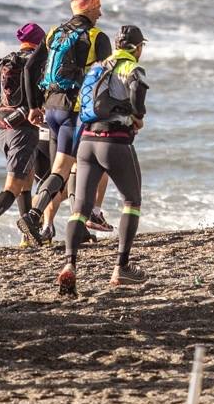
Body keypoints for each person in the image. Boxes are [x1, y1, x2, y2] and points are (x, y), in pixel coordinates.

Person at [57, 24, 150, 296]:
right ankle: (121, 267)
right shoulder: (131, 66)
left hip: (87, 141)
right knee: (132, 202)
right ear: (138, 47)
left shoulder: (98, 66)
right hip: (114, 141)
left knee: (80, 209)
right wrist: (138, 116)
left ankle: (70, 264)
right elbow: (138, 94)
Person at [25, 0, 114, 242]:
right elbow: (107, 82)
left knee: (66, 169)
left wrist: (33, 106)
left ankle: (60, 227)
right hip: (74, 112)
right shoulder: (97, 37)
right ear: (89, 9)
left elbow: (31, 68)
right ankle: (33, 215)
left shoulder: (54, 32)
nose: (101, 13)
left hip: (51, 108)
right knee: (68, 169)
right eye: (98, 8)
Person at [0, 22, 48, 252]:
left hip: (1, 126)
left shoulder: (3, 61)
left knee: (26, 176)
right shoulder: (36, 62)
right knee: (14, 183)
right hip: (23, 128)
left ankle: (28, 234)